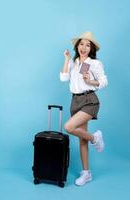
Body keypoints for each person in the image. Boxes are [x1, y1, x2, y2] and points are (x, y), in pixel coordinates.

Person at [60, 31, 108, 186]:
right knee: (82, 139)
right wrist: (67, 59)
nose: (84, 47)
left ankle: (95, 138)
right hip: (75, 101)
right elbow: (64, 78)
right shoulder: (75, 63)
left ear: (91, 49)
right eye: (81, 44)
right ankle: (86, 173)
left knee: (69, 127)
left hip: (89, 101)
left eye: (88, 45)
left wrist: (92, 81)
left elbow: (104, 81)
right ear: (77, 46)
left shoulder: (94, 63)